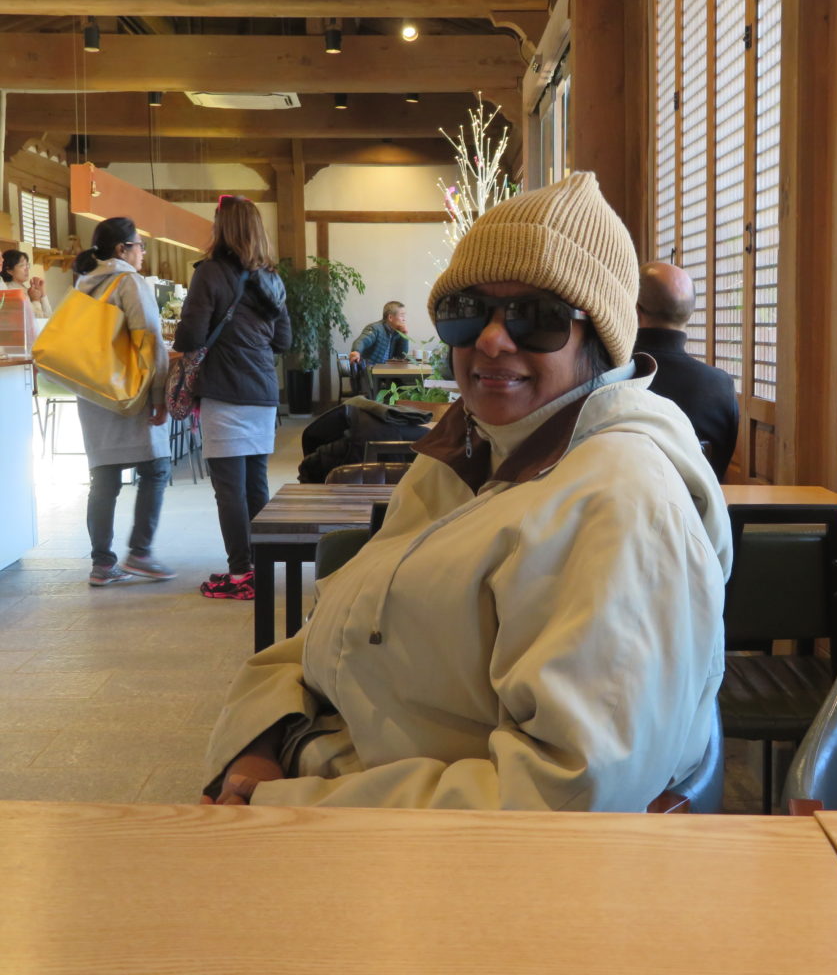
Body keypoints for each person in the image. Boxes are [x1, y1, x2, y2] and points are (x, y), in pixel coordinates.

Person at [201, 171, 731, 812]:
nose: (490, 339)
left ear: (601, 338)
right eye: (465, 312)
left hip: (433, 869)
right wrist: (263, 738)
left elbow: (567, 794)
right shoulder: (465, 455)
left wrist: (293, 806)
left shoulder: (620, 506)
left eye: (536, 318)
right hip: (341, 799)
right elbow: (329, 637)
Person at [173, 194, 291, 600]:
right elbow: (284, 340)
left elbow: (189, 336)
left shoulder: (210, 273)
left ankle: (241, 575)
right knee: (256, 483)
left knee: (229, 489)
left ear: (222, 228)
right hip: (261, 392)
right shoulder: (272, 278)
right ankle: (260, 567)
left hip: (224, 392)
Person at [71, 218, 175, 587]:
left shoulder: (84, 282)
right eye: (140, 245)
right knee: (157, 468)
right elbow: (150, 342)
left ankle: (102, 564)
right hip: (129, 391)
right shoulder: (128, 280)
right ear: (122, 249)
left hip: (92, 391)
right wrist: (160, 396)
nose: (143, 252)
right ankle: (141, 553)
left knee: (103, 479)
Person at [635, 262, 739, 481]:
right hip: (700, 513)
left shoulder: (611, 373)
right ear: (690, 313)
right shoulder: (720, 385)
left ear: (635, 310)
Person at [348, 300, 408, 365]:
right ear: (390, 317)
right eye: (402, 316)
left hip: (385, 372)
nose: (404, 319)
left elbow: (401, 357)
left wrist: (404, 335)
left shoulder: (397, 333)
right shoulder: (375, 328)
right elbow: (362, 341)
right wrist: (356, 351)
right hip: (369, 372)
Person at [2, 249, 52, 319]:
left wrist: (42, 293)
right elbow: (35, 320)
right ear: (10, 271)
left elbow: (48, 317)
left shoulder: (27, 289)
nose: (27, 269)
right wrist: (35, 300)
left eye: (27, 265)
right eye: (22, 265)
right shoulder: (11, 291)